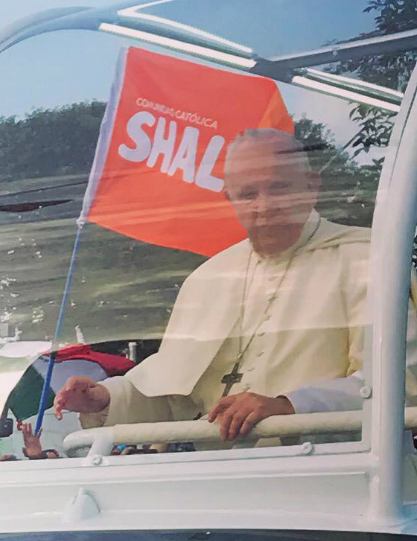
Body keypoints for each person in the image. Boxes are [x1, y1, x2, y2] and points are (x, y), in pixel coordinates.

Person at [54, 129, 417, 443]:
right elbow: (172, 393)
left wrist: (289, 406)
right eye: (248, 194)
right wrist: (103, 398)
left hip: (342, 481)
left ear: (312, 186)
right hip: (226, 485)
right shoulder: (208, 279)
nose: (265, 205)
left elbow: (402, 382)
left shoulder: (370, 260)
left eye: (279, 188)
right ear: (229, 199)